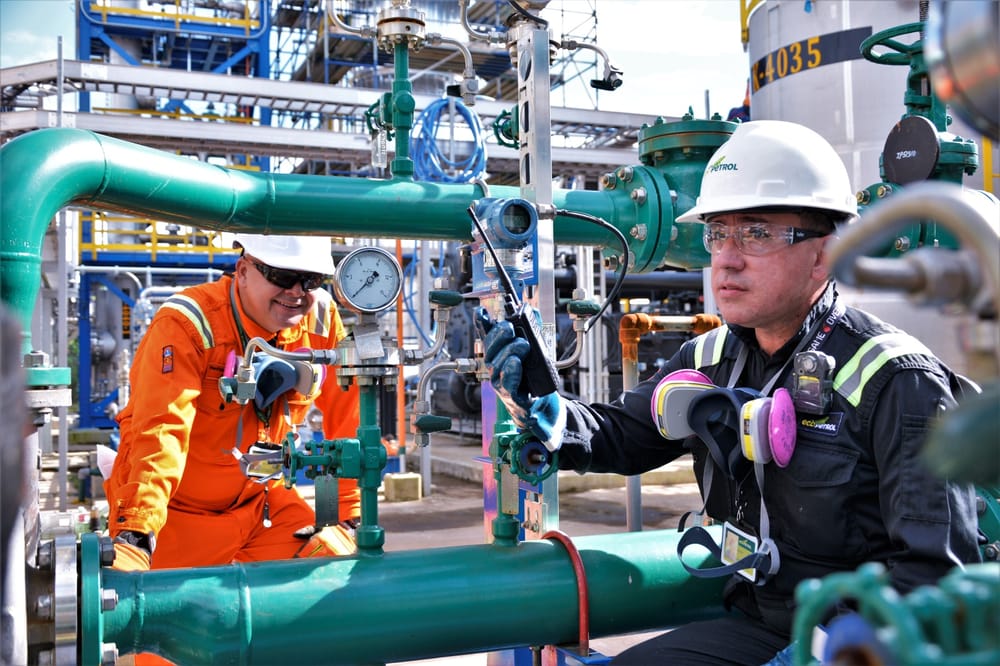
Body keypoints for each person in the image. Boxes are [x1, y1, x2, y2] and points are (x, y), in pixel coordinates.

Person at [479, 120, 982, 665]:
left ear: (824, 254)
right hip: (756, 624)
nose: (727, 257)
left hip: (850, 643)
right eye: (718, 233)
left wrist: (821, 653)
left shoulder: (897, 380)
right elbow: (622, 435)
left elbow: (932, 578)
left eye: (757, 233)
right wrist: (542, 409)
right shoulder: (708, 359)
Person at [106, 233, 361, 572]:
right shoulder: (189, 324)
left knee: (332, 568)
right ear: (242, 270)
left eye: (310, 280)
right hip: (178, 515)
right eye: (282, 276)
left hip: (262, 504)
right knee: (159, 614)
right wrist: (138, 529)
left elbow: (349, 417)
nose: (297, 292)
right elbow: (161, 428)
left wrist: (348, 513)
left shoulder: (321, 319)